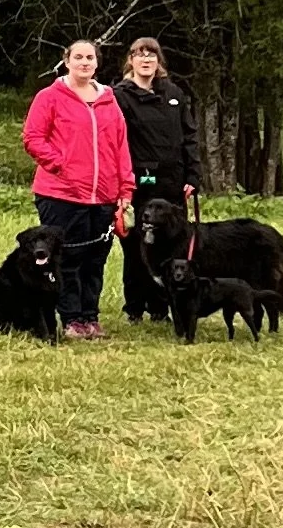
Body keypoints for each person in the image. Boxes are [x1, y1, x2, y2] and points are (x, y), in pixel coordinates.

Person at [22, 39, 135, 341]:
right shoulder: (50, 97)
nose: (84, 62)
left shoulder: (110, 102)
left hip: (103, 196)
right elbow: (33, 138)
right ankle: (71, 319)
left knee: (95, 259)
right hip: (61, 194)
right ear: (67, 61)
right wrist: (60, 164)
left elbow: (121, 147)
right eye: (78, 57)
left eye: (90, 58)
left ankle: (90, 317)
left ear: (97, 64)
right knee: (67, 260)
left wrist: (126, 188)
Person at [111, 33, 199, 321]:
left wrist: (193, 175)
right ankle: (135, 307)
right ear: (131, 60)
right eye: (140, 54)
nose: (146, 59)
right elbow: (114, 140)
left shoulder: (174, 94)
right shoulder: (119, 95)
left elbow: (189, 137)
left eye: (151, 54)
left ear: (159, 61)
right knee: (138, 246)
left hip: (173, 183)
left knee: (174, 244)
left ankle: (165, 306)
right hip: (137, 183)